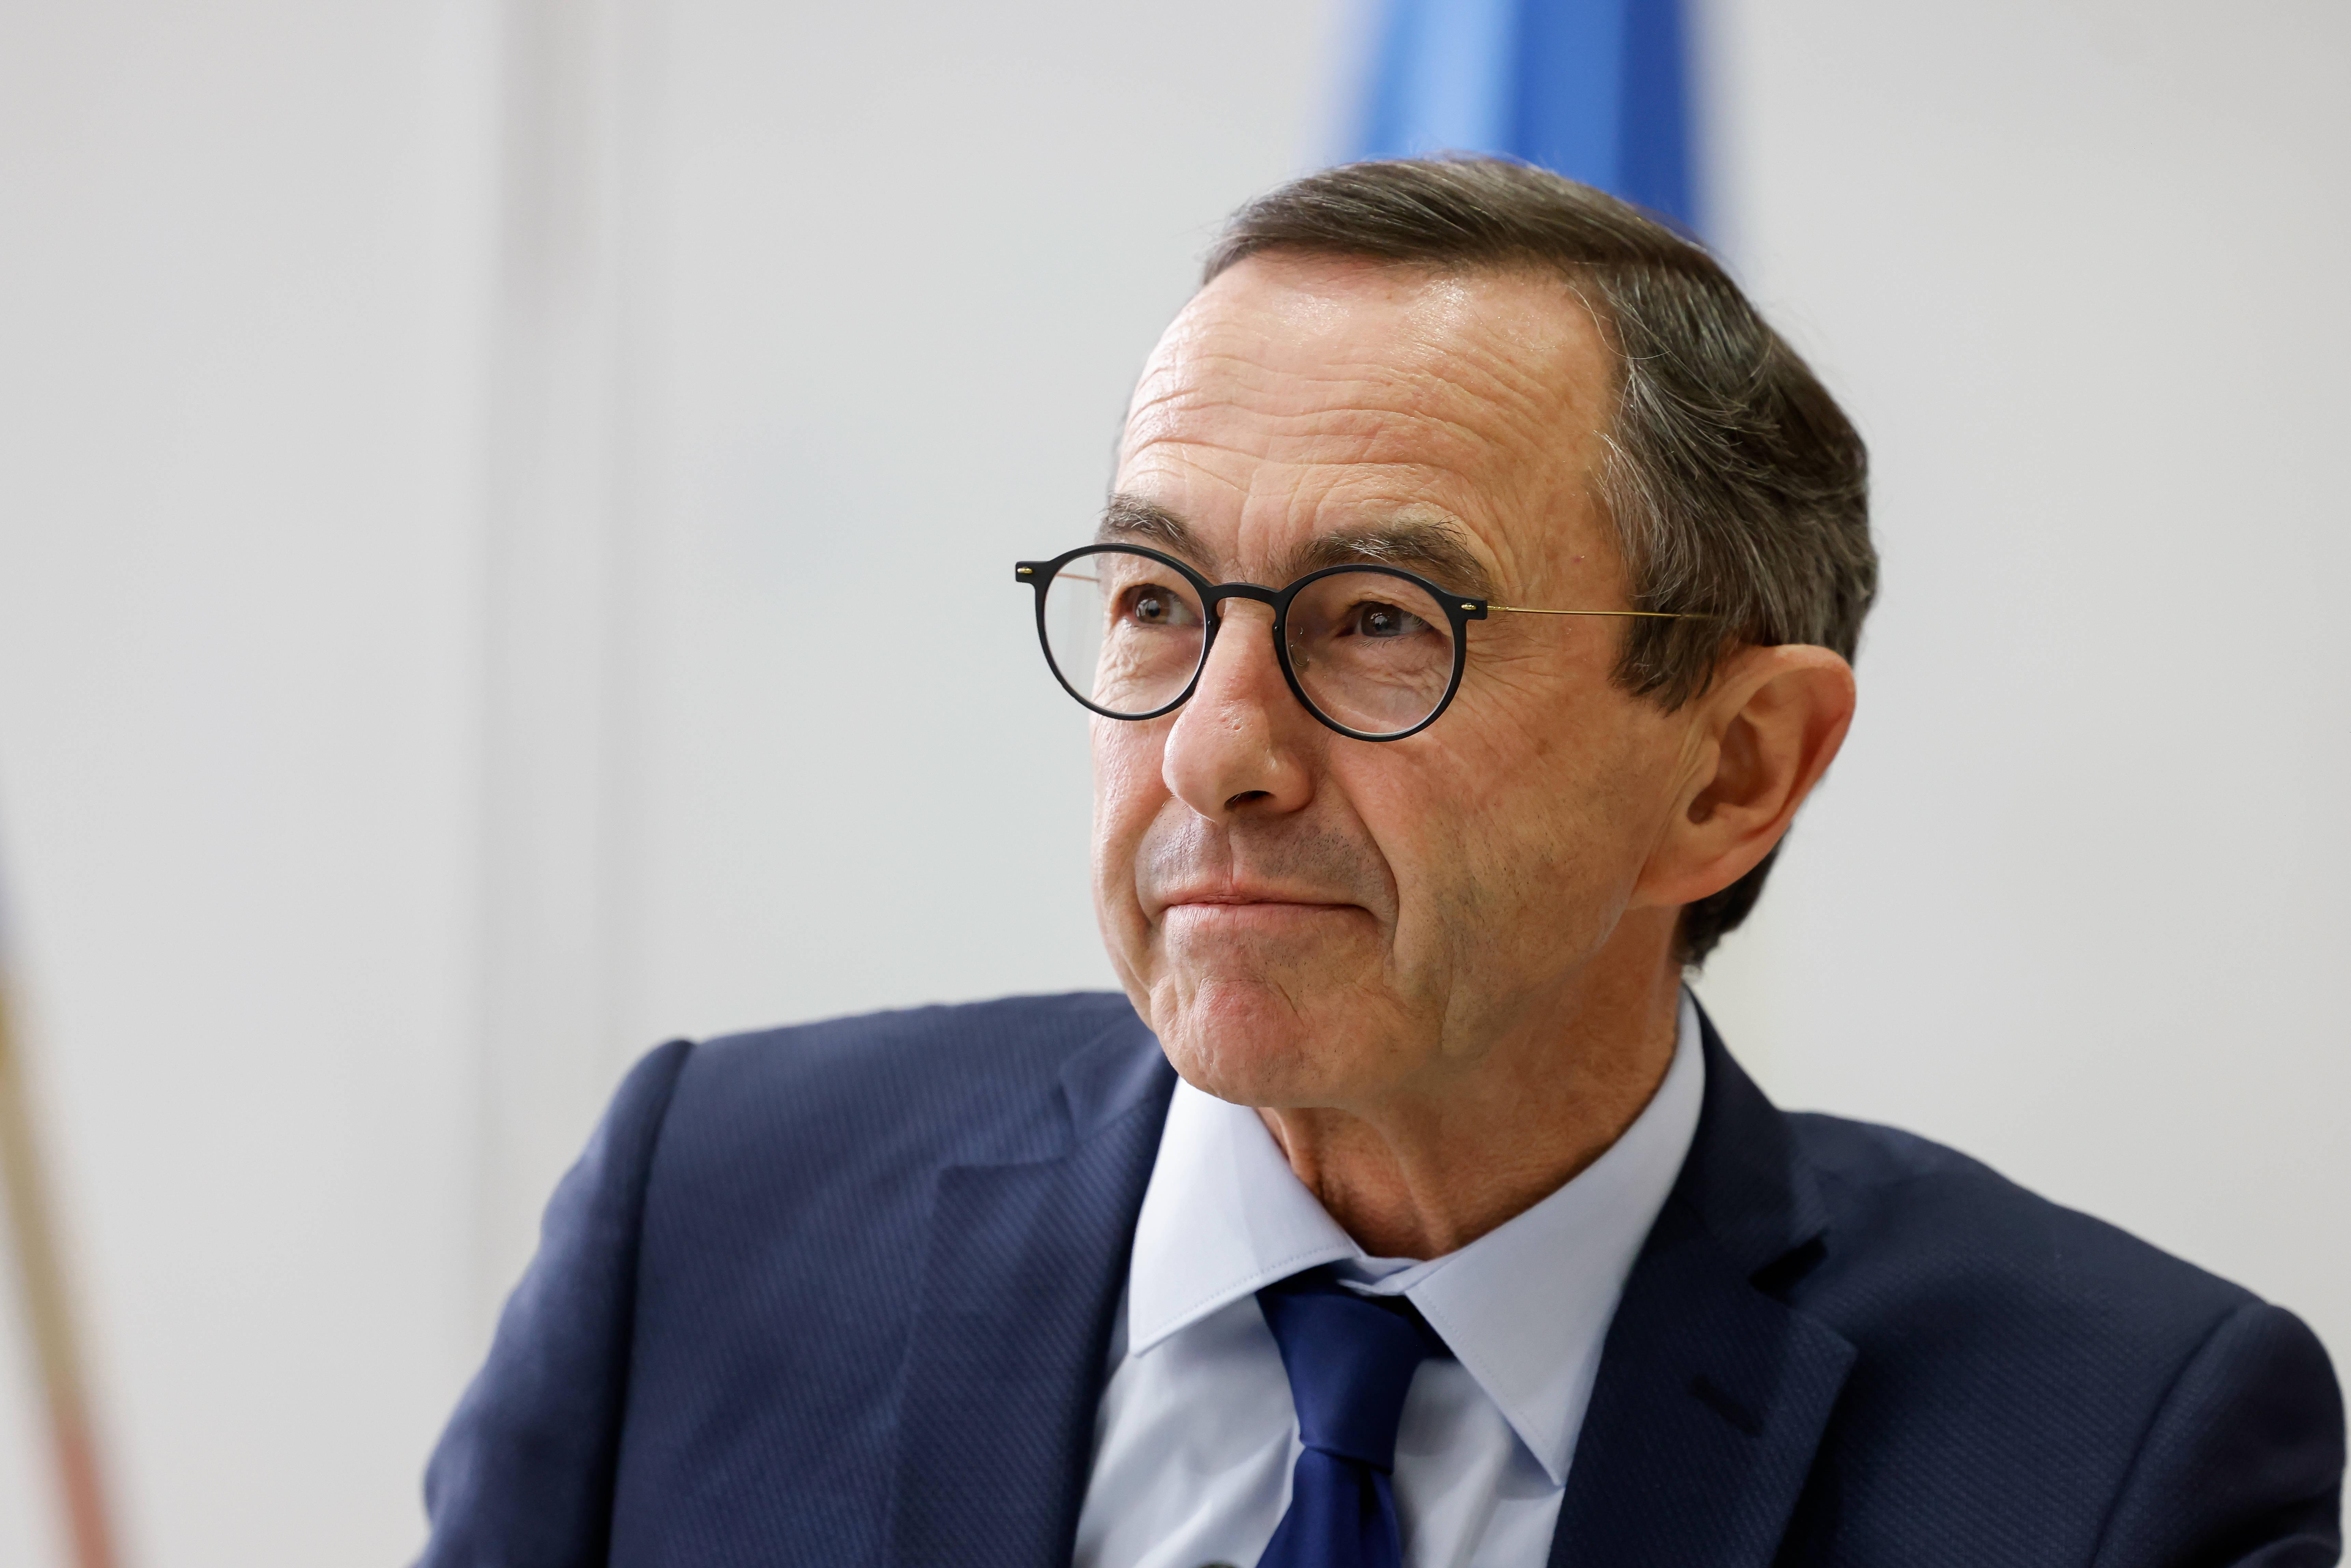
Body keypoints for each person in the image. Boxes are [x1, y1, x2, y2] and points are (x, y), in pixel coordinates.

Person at [416, 159, 2343, 1568]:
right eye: (1156, 599)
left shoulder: (2111, 1459)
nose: (1212, 752)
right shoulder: (708, 1218)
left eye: (1380, 624)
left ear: (1733, 770)